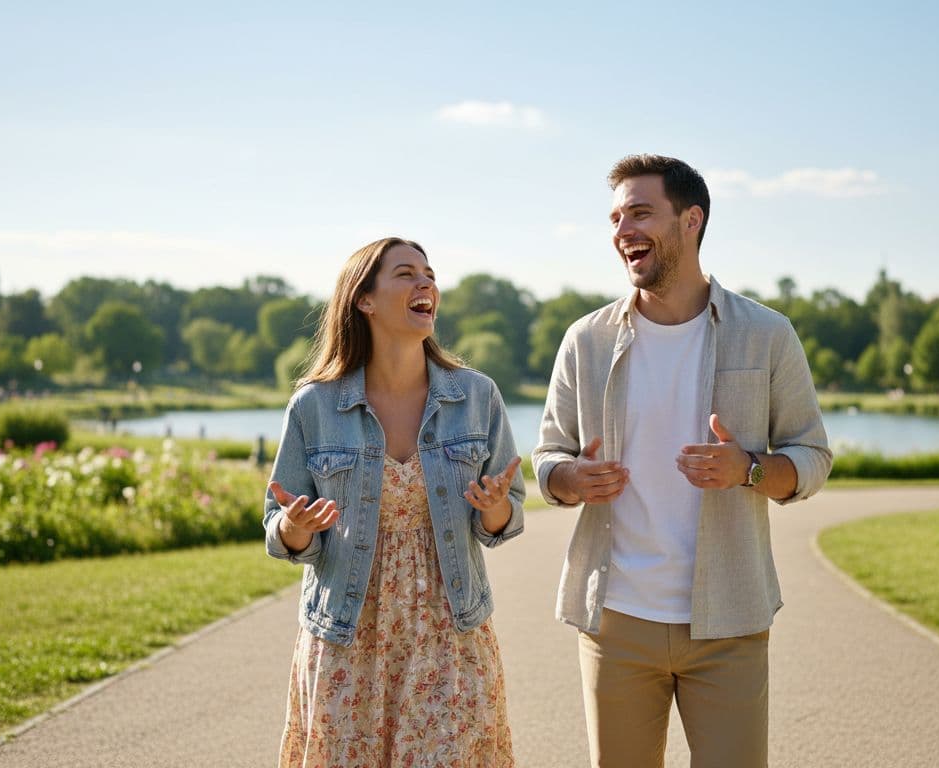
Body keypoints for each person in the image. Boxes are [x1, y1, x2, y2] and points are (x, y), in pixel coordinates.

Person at [532, 154, 832, 768]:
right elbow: (548, 459)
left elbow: (812, 454)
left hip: (729, 619)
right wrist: (571, 478)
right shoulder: (585, 339)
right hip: (615, 619)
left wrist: (747, 467)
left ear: (691, 220)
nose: (622, 230)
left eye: (640, 212)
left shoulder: (767, 333)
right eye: (616, 217)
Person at [264, 236, 524, 767]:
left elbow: (504, 516)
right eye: (406, 274)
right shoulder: (314, 405)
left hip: (448, 636)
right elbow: (279, 526)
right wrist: (296, 527)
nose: (426, 283)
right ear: (364, 299)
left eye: (429, 274)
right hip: (346, 639)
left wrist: (495, 506)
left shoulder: (476, 397)